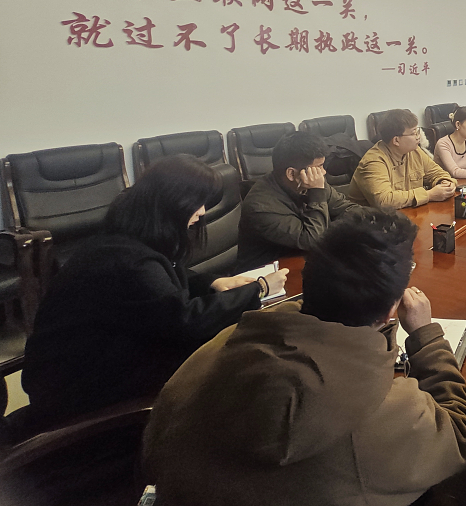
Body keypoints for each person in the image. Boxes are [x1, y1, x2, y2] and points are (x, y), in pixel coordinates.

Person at [144, 210, 466, 506]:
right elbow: (459, 435)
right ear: (391, 311)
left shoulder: (220, 345)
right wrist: (425, 336)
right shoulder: (387, 414)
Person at [21, 155, 288, 431]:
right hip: (82, 391)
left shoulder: (127, 241)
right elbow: (185, 321)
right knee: (236, 364)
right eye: (198, 203)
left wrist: (214, 283)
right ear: (173, 202)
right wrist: (259, 288)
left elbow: (165, 278)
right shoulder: (129, 262)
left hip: (103, 359)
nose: (202, 212)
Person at [237, 131, 365, 271]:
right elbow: (312, 240)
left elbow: (348, 209)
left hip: (304, 260)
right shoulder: (260, 206)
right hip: (266, 275)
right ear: (291, 173)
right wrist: (317, 194)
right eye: (318, 167)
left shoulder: (311, 183)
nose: (323, 172)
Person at [348, 109, 456, 209]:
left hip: (407, 214)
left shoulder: (414, 151)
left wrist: (445, 183)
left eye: (417, 131)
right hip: (371, 220)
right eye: (413, 133)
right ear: (396, 140)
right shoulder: (373, 162)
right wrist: (429, 195)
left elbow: (437, 172)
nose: (418, 136)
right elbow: (384, 200)